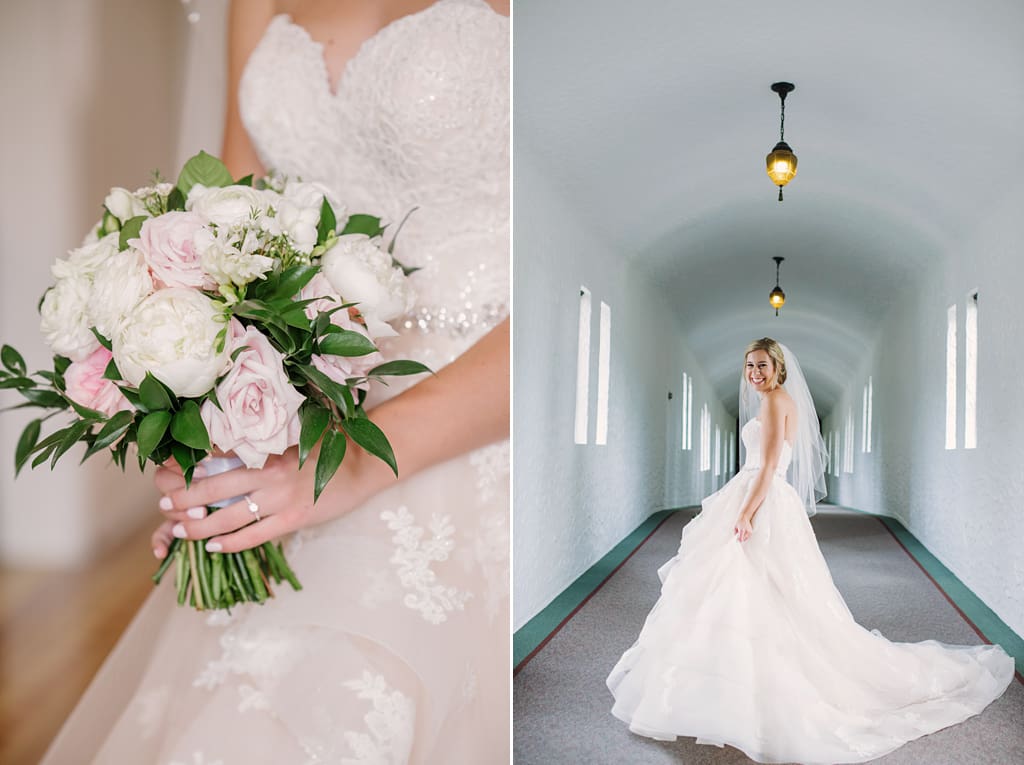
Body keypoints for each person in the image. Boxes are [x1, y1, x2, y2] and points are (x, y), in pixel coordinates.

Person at [42, 1, 509, 762]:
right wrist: (209, 435)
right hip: (302, 407)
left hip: (471, 422)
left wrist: (350, 464)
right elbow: (229, 220)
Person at [607, 337, 1014, 764]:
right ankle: (733, 689)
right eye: (749, 366)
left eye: (762, 365)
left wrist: (745, 513)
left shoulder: (773, 401)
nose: (754, 373)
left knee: (749, 588)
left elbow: (767, 466)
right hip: (766, 495)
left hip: (761, 497)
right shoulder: (779, 400)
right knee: (756, 592)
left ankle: (750, 693)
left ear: (778, 368)